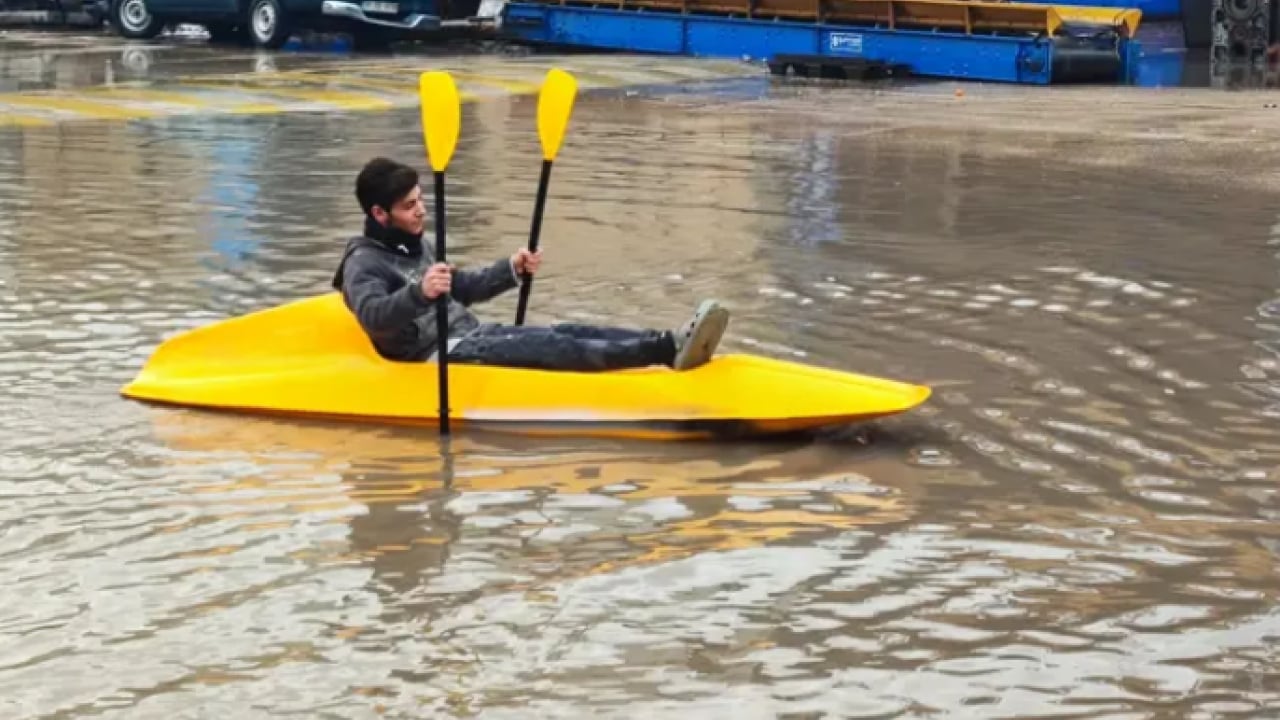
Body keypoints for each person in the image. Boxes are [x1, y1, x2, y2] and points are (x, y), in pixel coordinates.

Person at [331, 157, 730, 372]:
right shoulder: (363, 263)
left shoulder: (413, 243)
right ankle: (663, 353)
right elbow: (373, 317)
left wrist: (512, 269)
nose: (422, 211)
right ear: (380, 214)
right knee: (551, 346)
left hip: (469, 334)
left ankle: (667, 340)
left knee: (568, 329)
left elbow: (463, 288)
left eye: (421, 199)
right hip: (432, 355)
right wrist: (419, 293)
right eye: (410, 206)